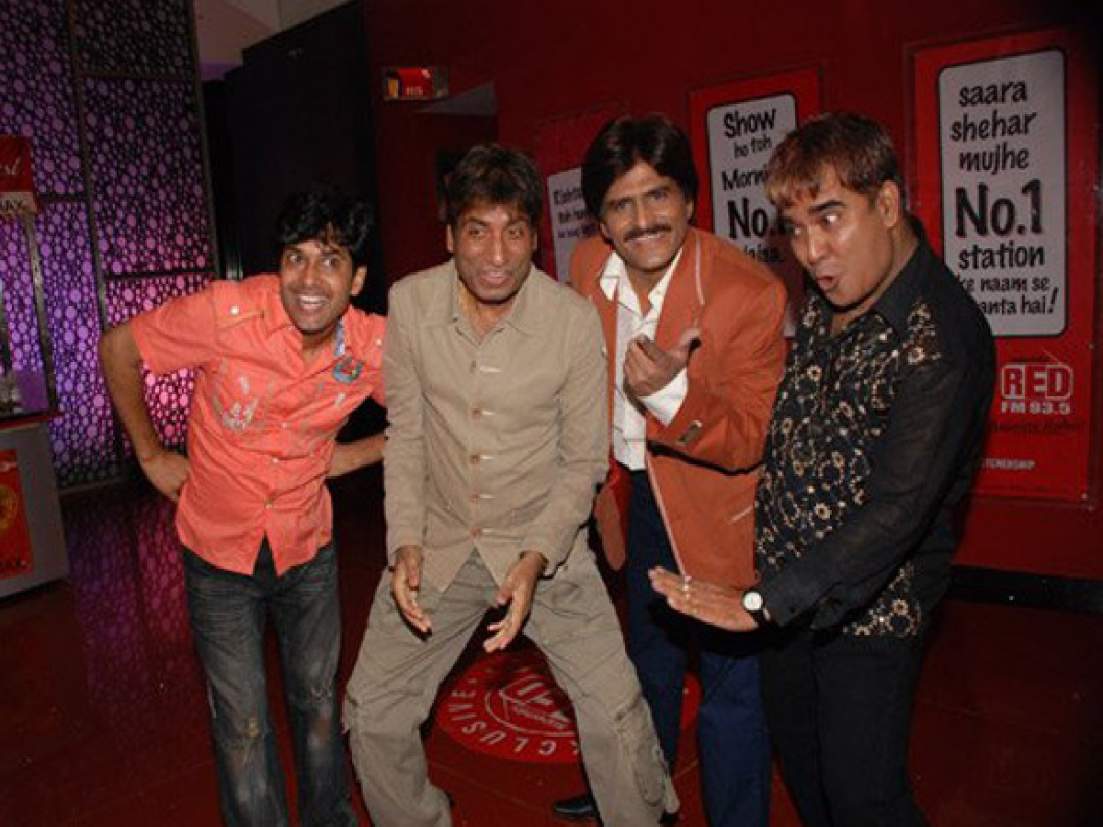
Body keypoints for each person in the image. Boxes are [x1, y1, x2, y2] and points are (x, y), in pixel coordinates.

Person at [651, 112, 996, 827]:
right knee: (806, 770)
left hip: (870, 610)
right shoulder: (833, 292)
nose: (810, 252)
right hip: (788, 594)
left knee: (862, 796)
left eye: (829, 219)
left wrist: (759, 603)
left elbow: (897, 513)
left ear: (887, 203)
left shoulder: (939, 336)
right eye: (795, 229)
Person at [342, 143, 678, 827]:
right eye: (477, 230)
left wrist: (535, 557)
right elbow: (406, 436)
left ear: (534, 237)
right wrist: (404, 542)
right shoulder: (410, 303)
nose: (496, 253)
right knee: (372, 714)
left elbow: (582, 462)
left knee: (618, 717)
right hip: (439, 543)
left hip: (544, 548)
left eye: (514, 231)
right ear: (450, 236)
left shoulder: (570, 320)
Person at [99, 187, 385, 827]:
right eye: (295, 258)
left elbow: (431, 412)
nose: (309, 280)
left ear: (357, 279)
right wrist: (150, 454)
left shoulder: (370, 347)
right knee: (242, 725)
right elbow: (119, 346)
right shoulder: (225, 314)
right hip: (218, 557)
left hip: (307, 552)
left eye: (331, 261)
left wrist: (352, 455)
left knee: (317, 704)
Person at [555, 114, 787, 826]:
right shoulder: (587, 269)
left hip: (719, 513)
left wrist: (669, 394)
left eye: (657, 195)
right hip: (634, 498)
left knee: (730, 691)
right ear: (600, 223)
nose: (643, 220)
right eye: (621, 205)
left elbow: (751, 437)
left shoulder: (748, 292)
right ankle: (637, 795)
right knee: (644, 667)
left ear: (689, 199)